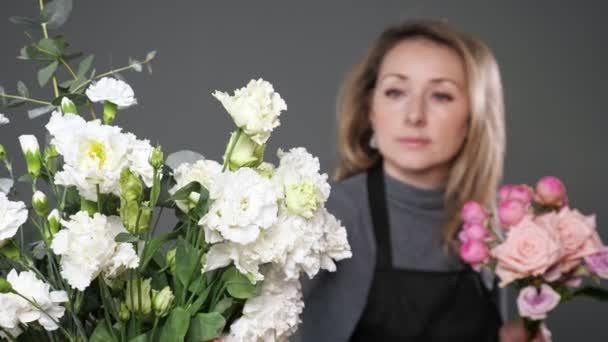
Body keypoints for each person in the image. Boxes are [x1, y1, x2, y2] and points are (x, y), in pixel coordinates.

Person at [296, 19, 545, 342]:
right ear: (371, 109)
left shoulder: (490, 228)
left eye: (441, 95)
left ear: (473, 118)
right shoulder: (331, 213)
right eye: (396, 92)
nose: (414, 115)